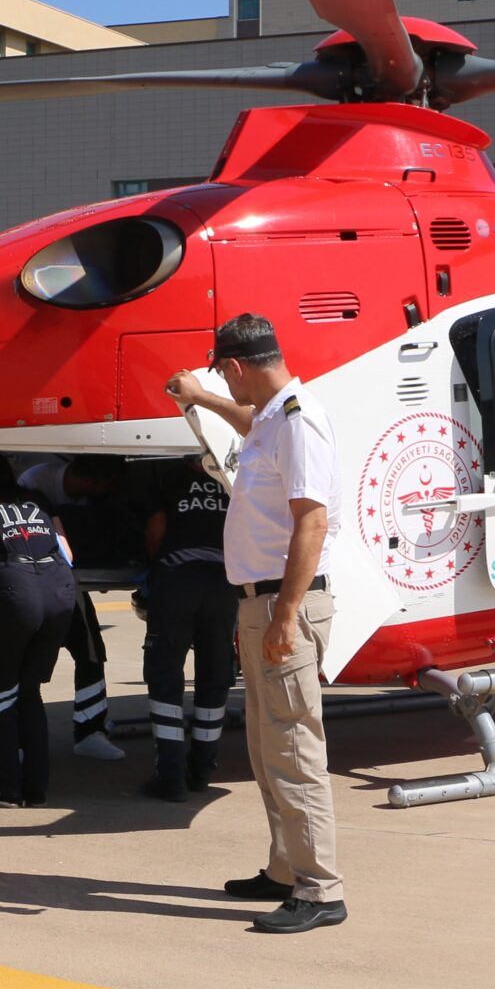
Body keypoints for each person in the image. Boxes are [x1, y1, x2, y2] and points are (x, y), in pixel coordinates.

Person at [164, 314, 346, 935]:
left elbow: (312, 523)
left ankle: (320, 889)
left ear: (238, 366)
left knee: (295, 750)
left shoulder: (299, 421)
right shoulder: (272, 417)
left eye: (223, 374)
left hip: (281, 604)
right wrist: (203, 399)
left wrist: (286, 616)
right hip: (260, 603)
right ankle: (284, 869)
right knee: (269, 751)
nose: (224, 383)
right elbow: (246, 422)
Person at [0, 450, 78, 809]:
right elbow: (67, 552)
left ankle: (8, 787)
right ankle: (36, 788)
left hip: (14, 589)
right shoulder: (37, 500)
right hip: (60, 588)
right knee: (30, 691)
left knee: (1, 691)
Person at [136, 457, 238, 803]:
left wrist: (157, 566)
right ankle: (201, 772)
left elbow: (155, 532)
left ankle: (170, 776)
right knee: (215, 675)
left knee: (165, 675)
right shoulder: (230, 478)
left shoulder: (169, 478)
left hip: (177, 580)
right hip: (224, 583)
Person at [20, 456, 134, 760]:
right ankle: (22, 736)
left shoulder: (91, 498)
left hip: (66, 579)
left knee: (90, 650)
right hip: (35, 580)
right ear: (88, 483)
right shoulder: (36, 483)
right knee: (31, 662)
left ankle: (90, 728)